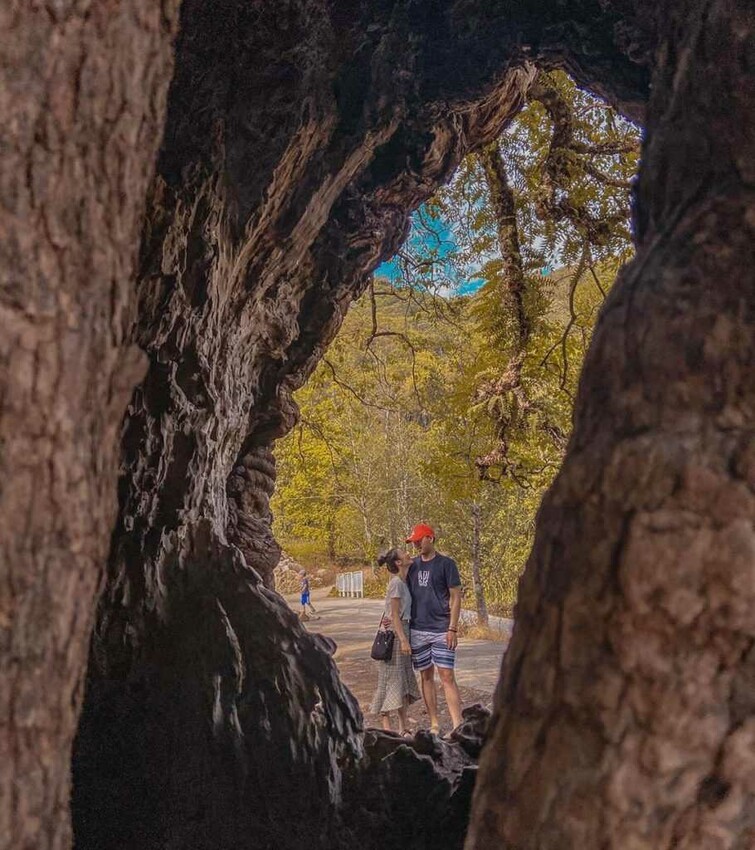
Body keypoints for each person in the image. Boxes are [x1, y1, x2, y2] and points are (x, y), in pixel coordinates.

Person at [405, 523, 463, 734]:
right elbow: (400, 594)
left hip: (442, 628)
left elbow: (456, 596)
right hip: (418, 629)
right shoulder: (412, 566)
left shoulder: (446, 564)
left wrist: (453, 628)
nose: (417, 544)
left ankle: (457, 725)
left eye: (420, 540)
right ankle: (434, 724)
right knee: (426, 676)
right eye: (414, 542)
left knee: (447, 675)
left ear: (430, 538)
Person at [369, 548, 421, 735]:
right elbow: (394, 616)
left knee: (402, 681)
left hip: (402, 630)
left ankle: (403, 727)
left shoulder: (403, 581)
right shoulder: (396, 584)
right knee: (390, 680)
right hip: (396, 634)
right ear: (398, 563)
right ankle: (388, 727)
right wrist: (404, 640)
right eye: (404, 553)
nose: (408, 553)